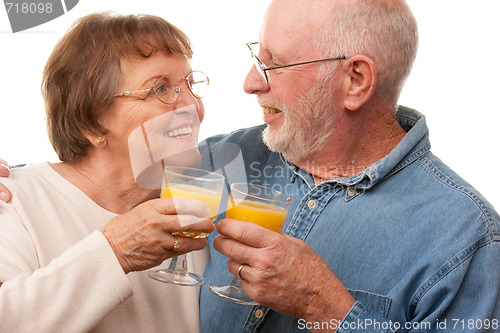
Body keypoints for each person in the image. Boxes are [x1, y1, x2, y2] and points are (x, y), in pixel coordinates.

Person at [195, 0, 500, 332]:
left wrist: (324, 306)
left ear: (356, 80)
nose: (250, 82)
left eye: (275, 64)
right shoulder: (223, 157)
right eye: (257, 56)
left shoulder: (468, 238)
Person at [0, 12, 215, 332]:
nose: (192, 106)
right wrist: (116, 250)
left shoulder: (198, 214)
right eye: (160, 88)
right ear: (90, 122)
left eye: (190, 84)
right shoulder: (13, 201)